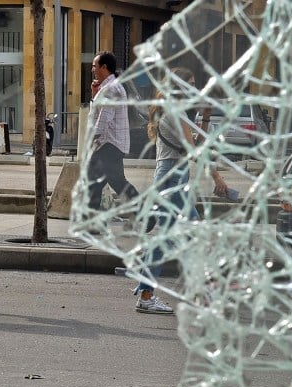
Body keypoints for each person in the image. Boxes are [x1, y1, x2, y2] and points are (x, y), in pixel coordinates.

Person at [134, 68, 228, 314]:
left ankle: (197, 291)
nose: (194, 89)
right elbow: (195, 149)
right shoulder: (175, 113)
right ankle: (151, 294)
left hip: (173, 175)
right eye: (190, 84)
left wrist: (205, 118)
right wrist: (217, 177)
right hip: (172, 178)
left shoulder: (172, 111)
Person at [87, 51, 140, 211]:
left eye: (95, 66)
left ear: (104, 67)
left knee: (107, 181)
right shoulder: (109, 88)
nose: (93, 69)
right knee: (101, 182)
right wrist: (95, 94)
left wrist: (90, 140)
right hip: (110, 144)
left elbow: (104, 119)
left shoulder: (111, 89)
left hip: (108, 144)